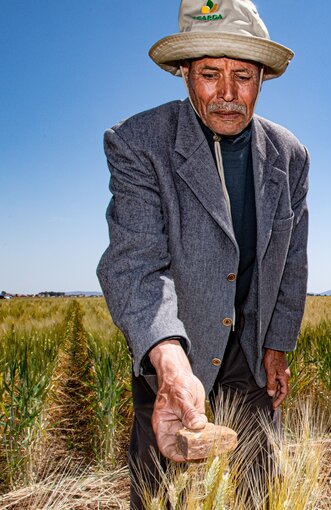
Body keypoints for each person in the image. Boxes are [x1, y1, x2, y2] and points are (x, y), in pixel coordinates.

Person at [96, 0, 308, 507]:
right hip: (174, 351)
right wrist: (170, 366)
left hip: (251, 356)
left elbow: (291, 258)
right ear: (186, 74)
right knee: (159, 494)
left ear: (262, 79)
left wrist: (277, 344)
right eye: (211, 74)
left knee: (263, 491)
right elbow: (135, 264)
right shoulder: (139, 143)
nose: (228, 94)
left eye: (243, 76)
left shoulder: (289, 155)